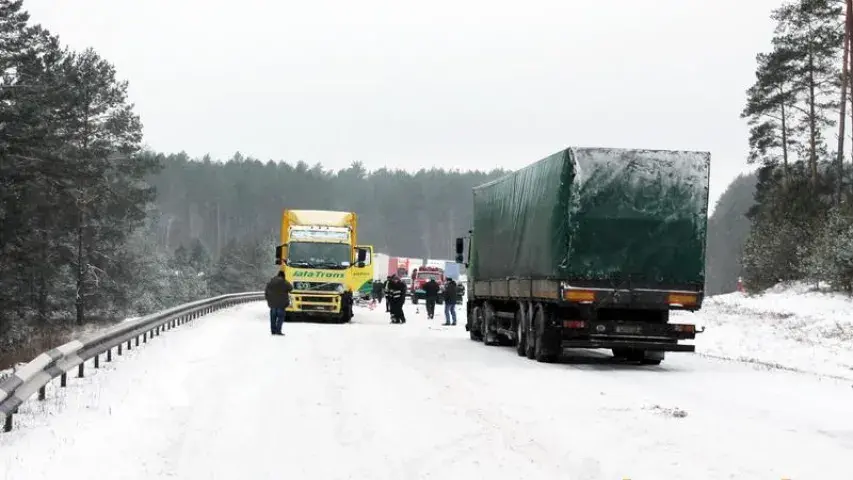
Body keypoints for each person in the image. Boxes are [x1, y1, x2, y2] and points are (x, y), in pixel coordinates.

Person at [265, 271, 293, 335]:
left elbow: (266, 291)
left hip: (272, 304)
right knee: (280, 318)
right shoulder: (285, 282)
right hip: (281, 304)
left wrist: (268, 299)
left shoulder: (271, 282)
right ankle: (278, 331)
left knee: (273, 318)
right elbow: (291, 288)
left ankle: (273, 331)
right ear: (283, 276)